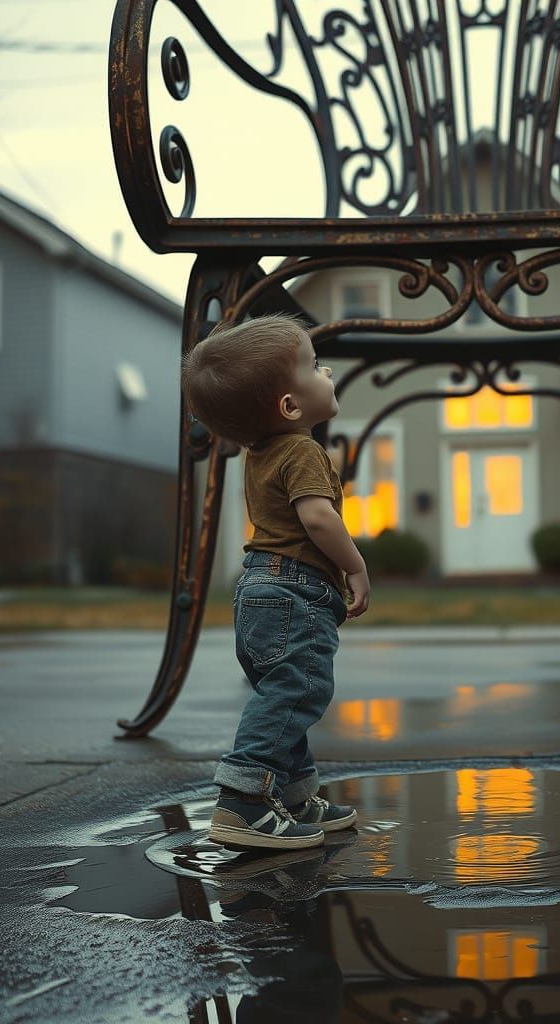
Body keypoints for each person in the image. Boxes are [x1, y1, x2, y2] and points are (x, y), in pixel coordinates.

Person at [180, 313, 370, 850]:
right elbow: (318, 519)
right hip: (295, 592)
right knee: (297, 691)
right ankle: (242, 802)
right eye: (314, 365)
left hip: (258, 589)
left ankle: (290, 797)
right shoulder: (303, 451)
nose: (326, 369)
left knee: (284, 695)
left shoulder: (259, 453)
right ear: (290, 406)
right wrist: (355, 565)